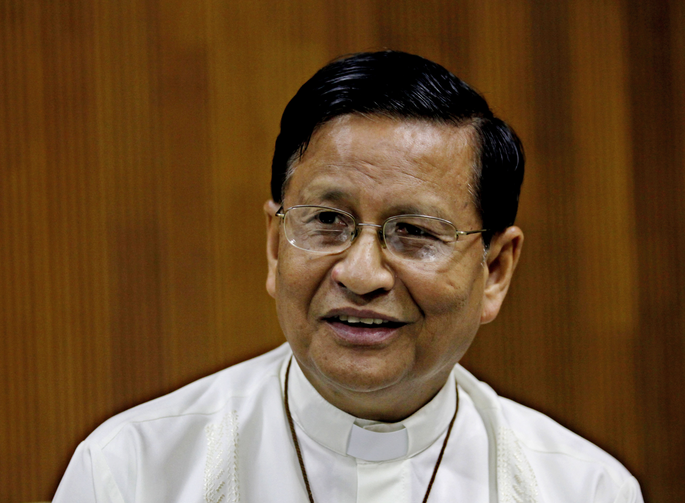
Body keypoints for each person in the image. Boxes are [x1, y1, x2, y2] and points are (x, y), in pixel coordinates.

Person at [53, 50, 643, 503]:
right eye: (327, 220)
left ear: (494, 270)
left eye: (415, 231)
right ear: (273, 245)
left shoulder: (581, 488)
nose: (361, 275)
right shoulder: (131, 471)